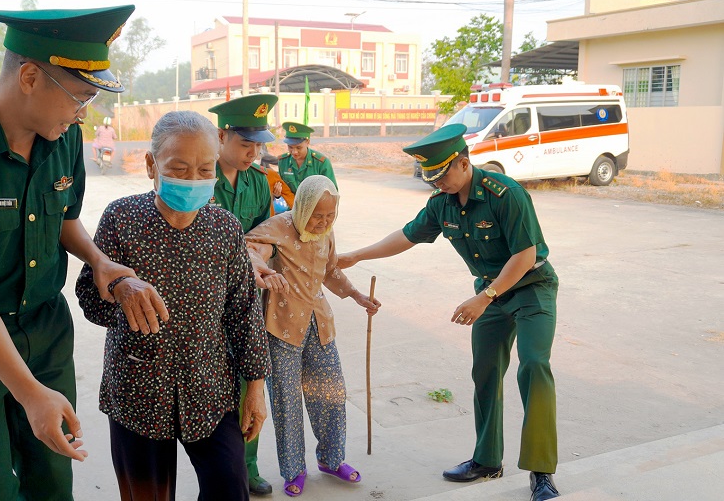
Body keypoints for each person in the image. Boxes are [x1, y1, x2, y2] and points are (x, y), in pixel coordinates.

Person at [0, 5, 165, 501]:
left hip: (45, 329)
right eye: (80, 96)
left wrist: (99, 260)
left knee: (52, 478)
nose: (84, 111)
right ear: (31, 77)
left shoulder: (63, 137)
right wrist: (28, 391)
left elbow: (62, 218)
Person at [337, 123, 561, 501]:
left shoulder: (506, 195)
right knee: (486, 371)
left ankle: (541, 473)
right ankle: (488, 460)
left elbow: (525, 256)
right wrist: (356, 255)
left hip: (531, 289)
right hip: (490, 295)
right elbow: (407, 235)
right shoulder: (442, 203)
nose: (436, 184)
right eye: (430, 178)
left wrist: (485, 296)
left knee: (534, 365)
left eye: (441, 175)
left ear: (463, 162)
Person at [74, 111, 271, 501]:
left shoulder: (224, 228)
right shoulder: (122, 218)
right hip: (138, 388)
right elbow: (88, 300)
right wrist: (119, 291)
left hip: (210, 387)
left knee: (230, 487)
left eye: (204, 169)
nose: (193, 180)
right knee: (146, 494)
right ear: (152, 165)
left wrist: (255, 388)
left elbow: (243, 312)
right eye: (179, 168)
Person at [245, 175, 380, 497]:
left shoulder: (326, 234)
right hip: (280, 327)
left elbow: (330, 270)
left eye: (329, 216)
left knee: (332, 394)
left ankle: (331, 460)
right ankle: (294, 470)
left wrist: (357, 295)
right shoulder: (278, 226)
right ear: (302, 208)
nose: (322, 222)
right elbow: (249, 250)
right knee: (287, 404)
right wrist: (263, 269)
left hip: (319, 324)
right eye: (317, 215)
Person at [207, 93, 280, 495]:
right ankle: (221, 462)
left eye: (258, 145)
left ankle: (246, 466)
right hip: (206, 296)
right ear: (221, 136)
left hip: (246, 298)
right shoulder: (199, 175)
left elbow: (266, 234)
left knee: (250, 381)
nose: (253, 153)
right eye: (245, 144)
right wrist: (244, 256)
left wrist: (257, 253)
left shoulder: (259, 182)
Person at [276, 122, 337, 195]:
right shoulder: (283, 161)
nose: (294, 152)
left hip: (315, 206)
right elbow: (282, 191)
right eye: (290, 147)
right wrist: (277, 194)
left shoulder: (321, 163)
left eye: (299, 148)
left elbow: (332, 194)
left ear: (308, 142)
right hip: (291, 205)